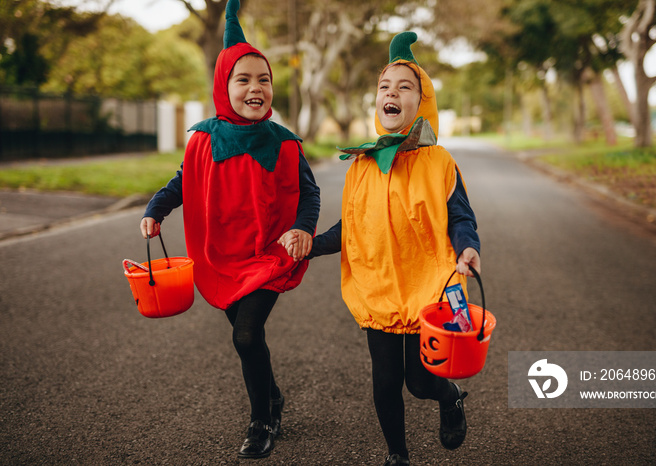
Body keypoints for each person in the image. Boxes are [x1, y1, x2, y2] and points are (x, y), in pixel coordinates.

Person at [286, 31, 481, 466]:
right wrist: (310, 246)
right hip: (378, 287)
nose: (391, 93)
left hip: (429, 285)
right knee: (385, 380)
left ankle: (449, 397)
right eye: (384, 88)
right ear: (376, 101)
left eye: (404, 87)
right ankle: (398, 455)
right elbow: (351, 227)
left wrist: (468, 248)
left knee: (420, 381)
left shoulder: (439, 162)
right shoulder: (361, 162)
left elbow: (461, 217)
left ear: (422, 103)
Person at [139, 0, 319, 459]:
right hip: (221, 255)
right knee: (246, 336)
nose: (255, 87)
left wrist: (302, 227)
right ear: (224, 85)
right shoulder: (203, 137)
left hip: (268, 254)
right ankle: (273, 395)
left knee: (245, 335)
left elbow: (309, 193)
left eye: (264, 79)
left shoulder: (284, 142)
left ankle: (262, 419)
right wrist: (157, 208)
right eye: (243, 79)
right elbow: (184, 180)